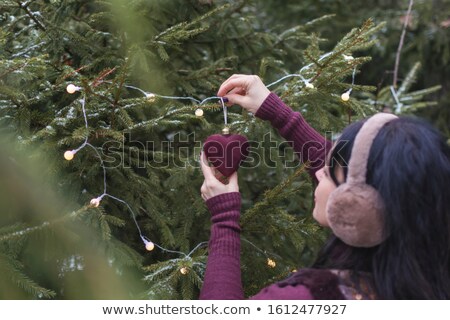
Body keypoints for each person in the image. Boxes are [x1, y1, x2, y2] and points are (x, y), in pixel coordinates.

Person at [199, 74, 450, 300]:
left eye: (329, 174)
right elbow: (358, 167)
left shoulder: (307, 298)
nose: (318, 171)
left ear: (355, 207)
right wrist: (277, 112)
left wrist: (224, 219)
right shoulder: (430, 279)